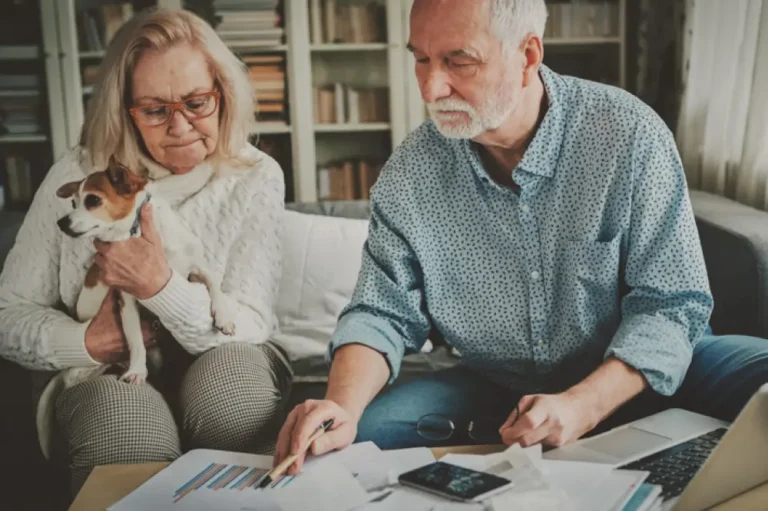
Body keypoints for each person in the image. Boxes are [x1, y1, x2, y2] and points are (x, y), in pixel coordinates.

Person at [274, 0, 768, 474]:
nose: (430, 87)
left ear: (528, 55)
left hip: (646, 374)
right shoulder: (411, 173)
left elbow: (671, 304)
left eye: (457, 61)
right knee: (361, 434)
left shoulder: (628, 134)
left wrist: (582, 405)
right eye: (421, 59)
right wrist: (339, 405)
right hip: (500, 385)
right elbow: (381, 310)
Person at [0, 8, 292, 494]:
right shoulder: (78, 174)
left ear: (224, 94)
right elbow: (6, 315)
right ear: (124, 111)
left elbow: (251, 321)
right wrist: (85, 342)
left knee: (234, 401)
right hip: (105, 371)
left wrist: (160, 288)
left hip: (227, 356)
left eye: (197, 102)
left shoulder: (255, 175)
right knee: (127, 432)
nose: (180, 127)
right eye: (156, 110)